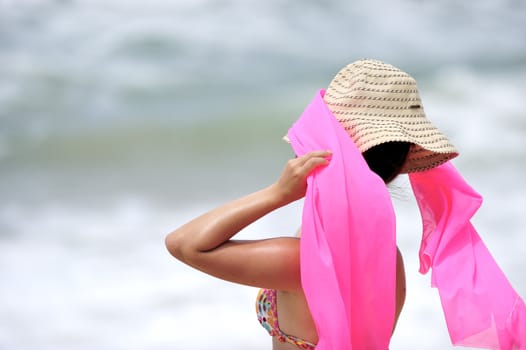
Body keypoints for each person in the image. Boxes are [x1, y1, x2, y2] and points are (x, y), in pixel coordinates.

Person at [165, 59, 459, 349]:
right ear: (397, 164)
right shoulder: (390, 258)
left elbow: (183, 244)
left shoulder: (303, 261)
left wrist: (278, 194)